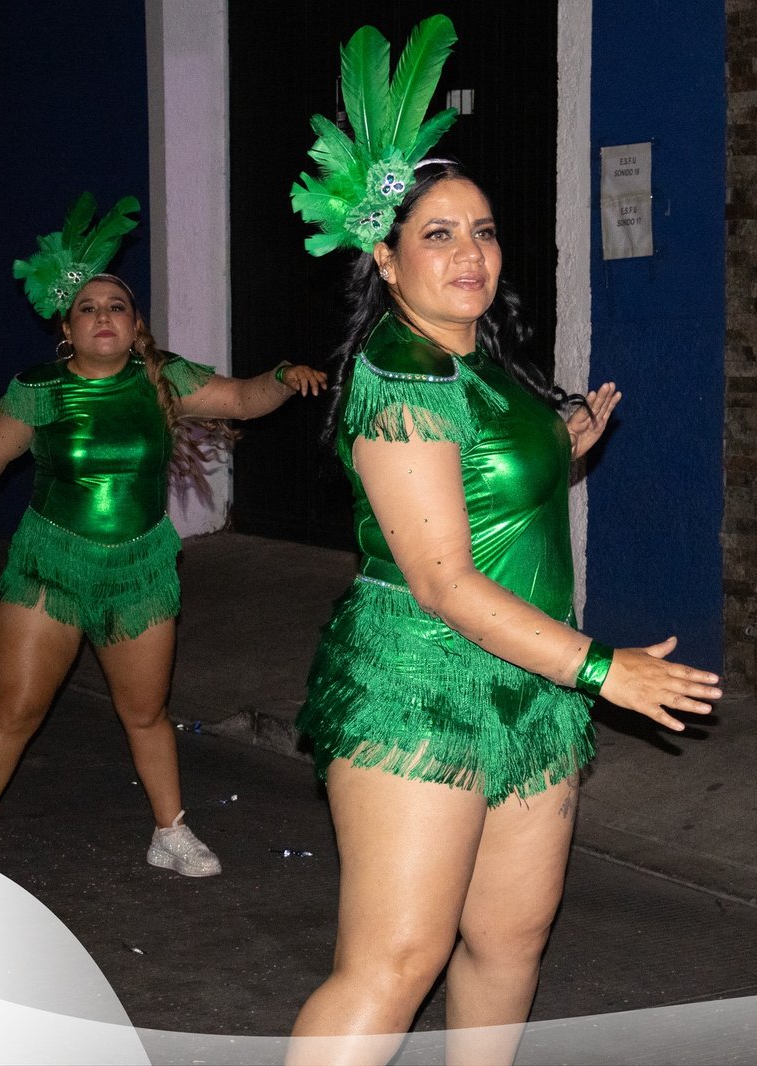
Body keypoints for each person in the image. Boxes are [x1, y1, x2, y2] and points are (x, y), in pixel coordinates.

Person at [284, 18, 721, 1064]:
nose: (470, 253)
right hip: (422, 679)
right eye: (438, 235)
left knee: (508, 941)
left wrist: (555, 448)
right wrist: (605, 670)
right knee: (395, 960)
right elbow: (441, 579)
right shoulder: (401, 373)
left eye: (482, 231)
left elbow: (476, 481)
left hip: (527, 682)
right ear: (386, 260)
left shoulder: (477, 355)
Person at [0, 194, 326, 875]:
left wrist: (284, 377)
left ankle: (170, 832)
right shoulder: (39, 389)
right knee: (15, 710)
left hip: (140, 569)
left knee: (146, 712)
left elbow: (240, 398)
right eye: (88, 308)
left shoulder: (162, 379)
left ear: (135, 323)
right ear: (67, 327)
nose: (103, 316)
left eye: (116, 306)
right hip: (51, 566)